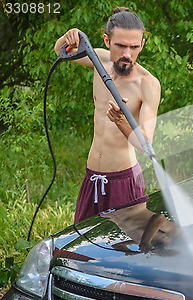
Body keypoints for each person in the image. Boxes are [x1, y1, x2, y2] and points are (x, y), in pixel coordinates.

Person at [54, 7, 161, 223]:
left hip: (124, 181)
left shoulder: (148, 84)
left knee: (126, 252)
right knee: (82, 247)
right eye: (120, 46)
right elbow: (61, 51)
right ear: (106, 40)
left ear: (143, 44)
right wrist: (69, 35)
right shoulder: (99, 60)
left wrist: (121, 121)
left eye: (134, 47)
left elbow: (146, 146)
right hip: (92, 178)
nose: (127, 54)